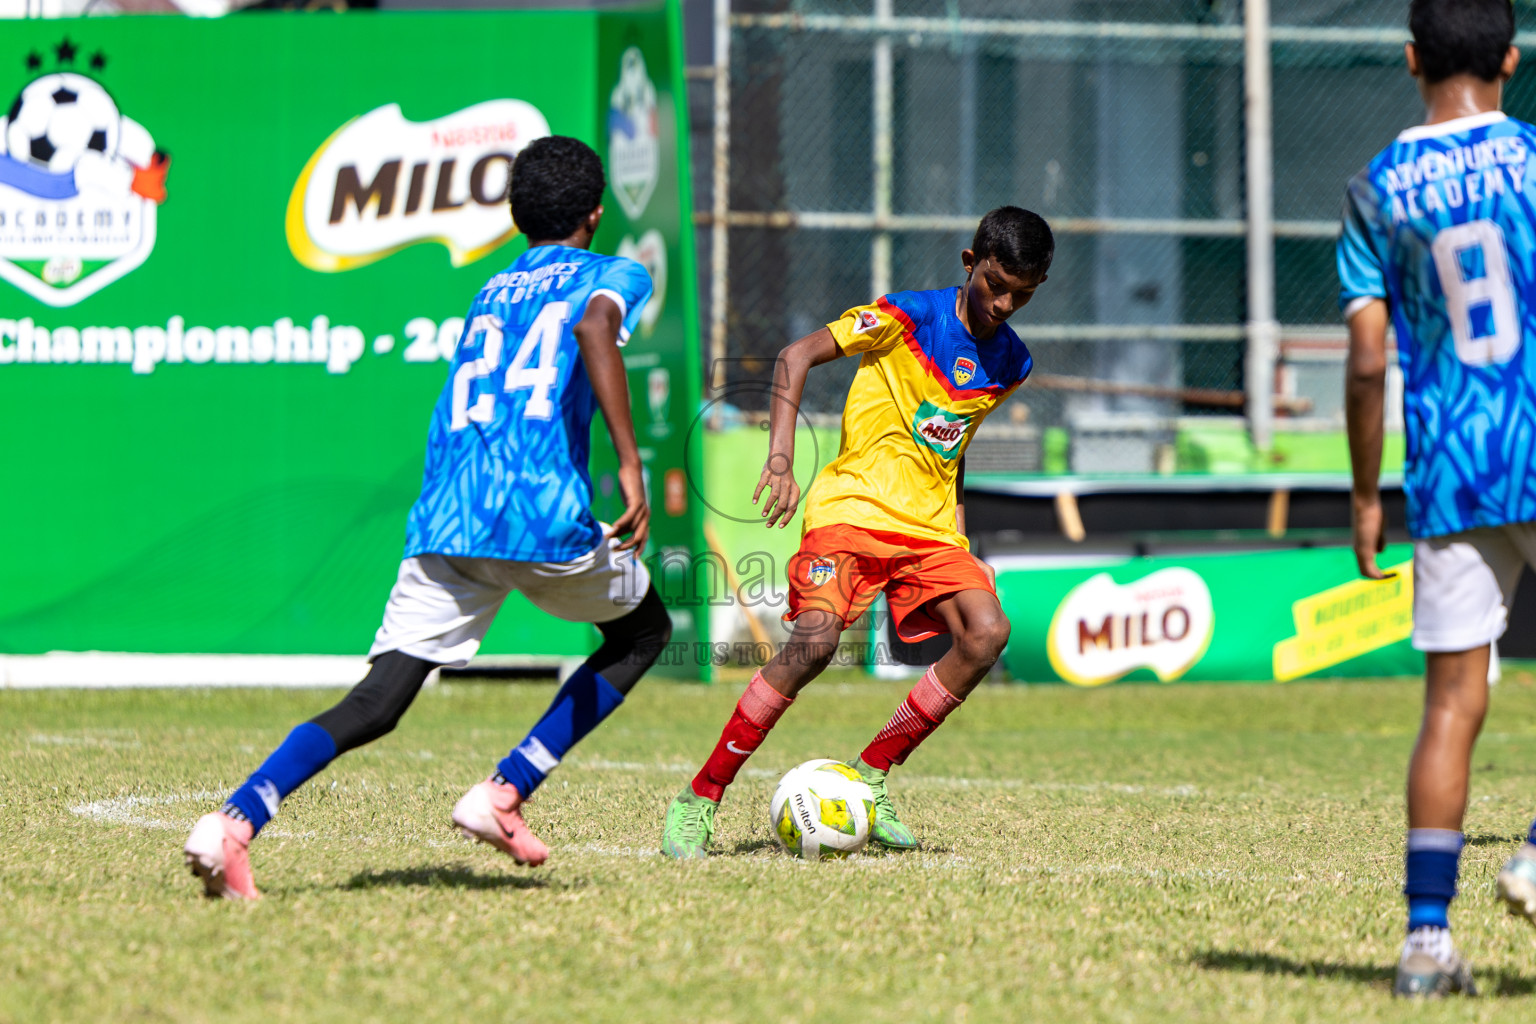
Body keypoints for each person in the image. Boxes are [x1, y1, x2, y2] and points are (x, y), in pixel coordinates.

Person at [184, 135, 671, 899]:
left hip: (450, 514)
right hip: (537, 514)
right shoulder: (614, 273)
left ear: (517, 218)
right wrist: (632, 466)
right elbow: (593, 328)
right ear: (596, 212)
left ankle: (234, 822)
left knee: (378, 700)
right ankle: (505, 791)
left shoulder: (492, 290)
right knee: (645, 632)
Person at [660, 206, 1053, 859]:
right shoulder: (904, 317)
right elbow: (796, 355)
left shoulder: (1012, 362)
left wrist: (961, 541)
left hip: (927, 531)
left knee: (987, 633)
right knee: (812, 647)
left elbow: (952, 452)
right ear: (969, 263)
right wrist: (781, 459)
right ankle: (699, 799)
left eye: (1024, 293)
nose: (1006, 303)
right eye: (996, 284)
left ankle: (870, 779)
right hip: (852, 510)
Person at [1339, 0, 1536, 997]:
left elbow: (1369, 359)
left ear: (1412, 58)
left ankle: (1425, 941)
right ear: (1512, 56)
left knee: (1452, 703)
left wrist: (1367, 493)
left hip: (1452, 464)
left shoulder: (1378, 185)